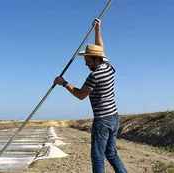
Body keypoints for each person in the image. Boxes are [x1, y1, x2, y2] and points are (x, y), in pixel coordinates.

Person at [54, 18, 127, 173]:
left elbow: (80, 95)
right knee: (111, 153)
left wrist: (64, 83)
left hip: (102, 120)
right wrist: (97, 28)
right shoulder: (109, 67)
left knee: (98, 157)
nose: (86, 64)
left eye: (87, 60)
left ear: (96, 59)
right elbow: (100, 47)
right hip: (114, 117)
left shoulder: (94, 76)